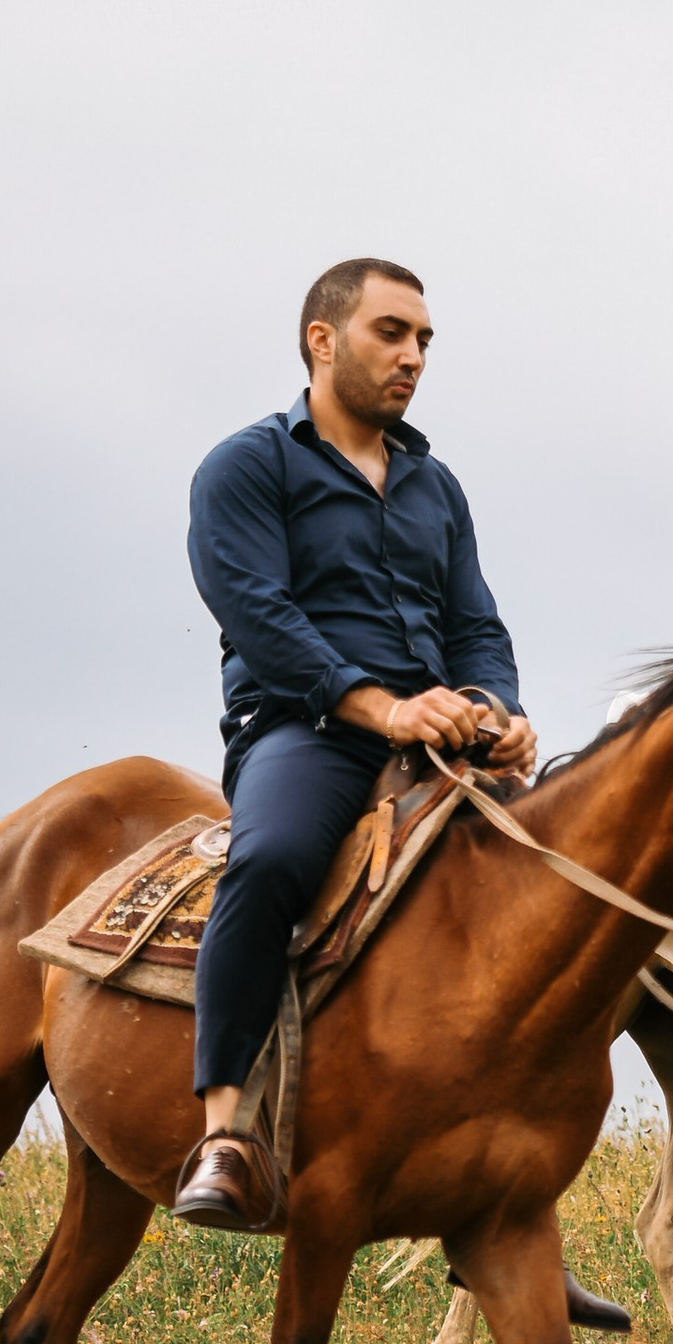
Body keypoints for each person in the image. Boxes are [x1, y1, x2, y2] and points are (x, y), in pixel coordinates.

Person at [173, 257, 537, 1231]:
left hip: (442, 738)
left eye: (423, 340)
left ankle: (509, 1171)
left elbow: (475, 624)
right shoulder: (248, 466)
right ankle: (223, 1132)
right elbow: (258, 614)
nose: (413, 355)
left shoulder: (435, 485)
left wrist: (494, 708)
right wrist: (383, 709)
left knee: (550, 887)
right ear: (321, 340)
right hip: (306, 730)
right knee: (272, 860)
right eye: (391, 332)